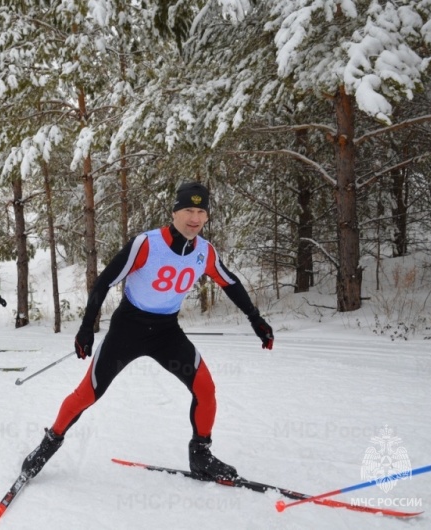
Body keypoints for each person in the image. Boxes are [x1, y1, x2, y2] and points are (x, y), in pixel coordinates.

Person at [20, 182, 275, 482]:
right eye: (188, 211)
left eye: (201, 212)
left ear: (206, 217)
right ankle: (48, 444)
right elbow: (104, 282)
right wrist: (86, 328)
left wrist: (255, 319)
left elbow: (229, 282)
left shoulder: (204, 252)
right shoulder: (147, 244)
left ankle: (201, 456)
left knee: (205, 389)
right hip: (128, 328)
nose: (194, 218)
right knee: (87, 393)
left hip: (166, 331)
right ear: (174, 212)